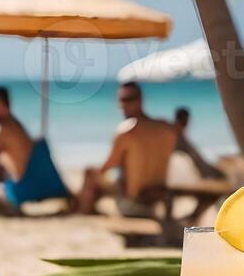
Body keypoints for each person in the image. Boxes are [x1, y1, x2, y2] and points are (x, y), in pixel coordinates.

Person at [77, 82, 180, 215]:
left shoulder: (127, 130)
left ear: (140, 100)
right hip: (156, 202)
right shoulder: (166, 128)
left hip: (131, 203)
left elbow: (106, 168)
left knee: (90, 172)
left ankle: (83, 212)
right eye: (121, 100)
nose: (123, 105)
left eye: (127, 99)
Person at [173, 106, 224, 180]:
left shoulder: (177, 132)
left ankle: (213, 173)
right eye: (186, 120)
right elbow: (195, 156)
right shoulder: (178, 135)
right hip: (186, 155)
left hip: (186, 154)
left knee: (199, 158)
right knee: (196, 156)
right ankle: (210, 174)